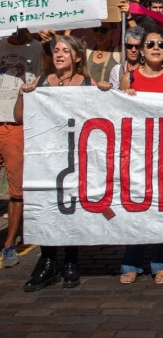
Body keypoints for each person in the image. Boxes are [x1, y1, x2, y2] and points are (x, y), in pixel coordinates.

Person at [14, 35, 110, 290]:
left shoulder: (87, 84)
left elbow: (104, 117)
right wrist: (24, 94)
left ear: (77, 57)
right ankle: (47, 261)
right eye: (56, 50)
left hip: (76, 156)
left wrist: (106, 94)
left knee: (71, 206)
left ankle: (70, 260)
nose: (59, 55)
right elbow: (20, 116)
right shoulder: (42, 83)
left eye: (65, 51)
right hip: (47, 157)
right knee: (47, 204)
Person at [118, 29, 163, 285]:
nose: (155, 47)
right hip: (136, 152)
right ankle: (131, 262)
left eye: (160, 44)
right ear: (142, 50)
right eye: (150, 44)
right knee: (136, 207)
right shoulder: (130, 77)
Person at [0, 28, 44, 268]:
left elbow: (44, 74)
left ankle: (9, 243)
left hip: (16, 123)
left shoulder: (36, 48)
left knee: (16, 189)